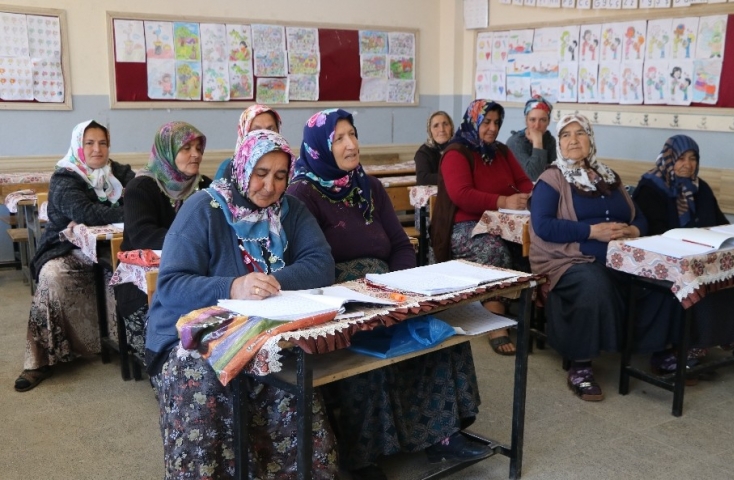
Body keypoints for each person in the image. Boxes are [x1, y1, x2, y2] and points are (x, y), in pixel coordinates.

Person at [288, 109, 488, 480]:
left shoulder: (368, 186)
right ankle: (364, 457)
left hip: (387, 289)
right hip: (339, 299)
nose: (351, 144)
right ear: (319, 147)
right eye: (339, 138)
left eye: (353, 134)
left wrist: (401, 286)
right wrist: (368, 291)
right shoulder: (302, 194)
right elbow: (312, 264)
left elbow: (399, 244)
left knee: (439, 332)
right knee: (367, 347)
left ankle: (442, 435)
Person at [145, 130, 338, 478]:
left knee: (289, 378)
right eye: (260, 173)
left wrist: (271, 282)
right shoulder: (204, 209)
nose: (270, 186)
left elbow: (321, 263)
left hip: (260, 330)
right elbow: (171, 286)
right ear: (242, 168)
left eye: (280, 175)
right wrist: (233, 286)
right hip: (191, 334)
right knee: (205, 378)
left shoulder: (290, 210)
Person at [528, 113, 656, 402]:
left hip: (619, 255)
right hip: (567, 258)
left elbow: (639, 217)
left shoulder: (608, 176)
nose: (573, 140)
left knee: (658, 278)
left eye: (580, 133)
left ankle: (657, 349)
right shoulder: (552, 178)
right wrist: (591, 232)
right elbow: (544, 225)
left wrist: (633, 230)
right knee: (593, 284)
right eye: (566, 135)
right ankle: (581, 365)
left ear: (590, 139)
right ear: (559, 142)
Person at [15, 120, 135, 392]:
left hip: (113, 249)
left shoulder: (120, 172)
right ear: (78, 146)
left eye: (102, 143)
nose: (97, 149)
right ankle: (38, 362)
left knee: (134, 272)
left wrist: (120, 211)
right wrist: (124, 211)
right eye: (89, 143)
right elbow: (86, 213)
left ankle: (126, 345)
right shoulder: (65, 178)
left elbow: (140, 201)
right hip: (68, 250)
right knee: (53, 276)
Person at [633, 134, 734, 375]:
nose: (687, 164)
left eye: (693, 158)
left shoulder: (700, 188)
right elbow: (653, 234)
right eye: (680, 158)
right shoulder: (651, 188)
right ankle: (691, 352)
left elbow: (721, 224)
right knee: (700, 279)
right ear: (668, 159)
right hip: (668, 261)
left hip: (705, 255)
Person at [433, 99, 533, 356]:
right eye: (486, 122)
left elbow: (523, 181)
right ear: (473, 121)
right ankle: (494, 319)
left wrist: (529, 196)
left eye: (497, 123)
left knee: (533, 246)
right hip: (464, 226)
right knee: (494, 250)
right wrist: (503, 201)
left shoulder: (501, 151)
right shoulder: (456, 153)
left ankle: (531, 310)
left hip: (503, 223)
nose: (493, 128)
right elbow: (462, 194)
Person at [113, 121, 211, 363]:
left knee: (215, 340)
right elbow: (142, 235)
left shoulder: (206, 187)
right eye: (186, 148)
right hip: (144, 284)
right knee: (172, 351)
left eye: (199, 148)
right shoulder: (141, 187)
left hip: (195, 275)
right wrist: (193, 244)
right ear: (167, 151)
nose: (196, 154)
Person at [214, 104, 281, 180]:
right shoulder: (228, 167)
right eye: (256, 130)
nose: (265, 135)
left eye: (270, 129)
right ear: (244, 134)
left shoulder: (288, 164)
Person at [506, 96, 557, 181]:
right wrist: (538, 143)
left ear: (548, 122)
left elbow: (556, 174)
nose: (537, 126)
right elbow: (534, 177)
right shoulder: (515, 142)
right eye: (532, 120)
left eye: (542, 120)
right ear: (526, 121)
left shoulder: (550, 140)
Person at [414, 110, 454, 185]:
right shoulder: (423, 152)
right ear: (430, 131)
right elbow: (422, 178)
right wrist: (453, 178)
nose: (442, 129)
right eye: (436, 126)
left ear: (451, 127)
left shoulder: (460, 148)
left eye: (445, 124)